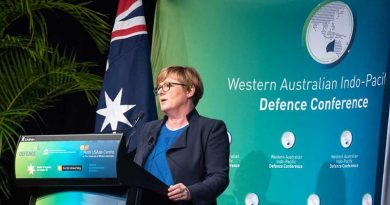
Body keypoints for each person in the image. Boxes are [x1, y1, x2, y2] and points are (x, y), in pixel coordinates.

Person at [134, 66, 230, 205]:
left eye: (167, 85)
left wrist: (189, 192)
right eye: (159, 87)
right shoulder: (149, 128)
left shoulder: (211, 128)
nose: (160, 91)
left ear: (190, 90)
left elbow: (219, 177)